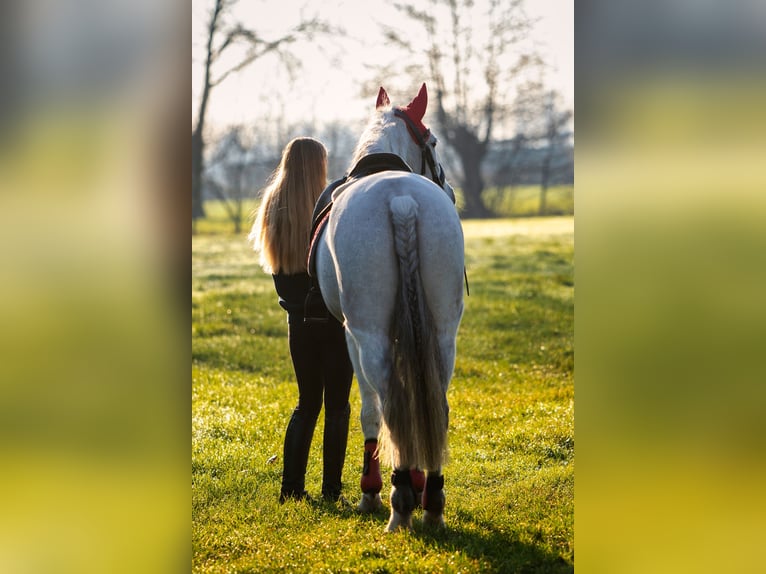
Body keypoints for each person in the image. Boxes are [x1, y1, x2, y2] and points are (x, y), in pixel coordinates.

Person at [249, 137, 354, 503]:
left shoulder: (272, 205)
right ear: (317, 166)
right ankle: (331, 491)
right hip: (332, 320)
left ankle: (291, 489)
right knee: (338, 405)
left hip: (297, 322)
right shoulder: (328, 206)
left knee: (307, 403)